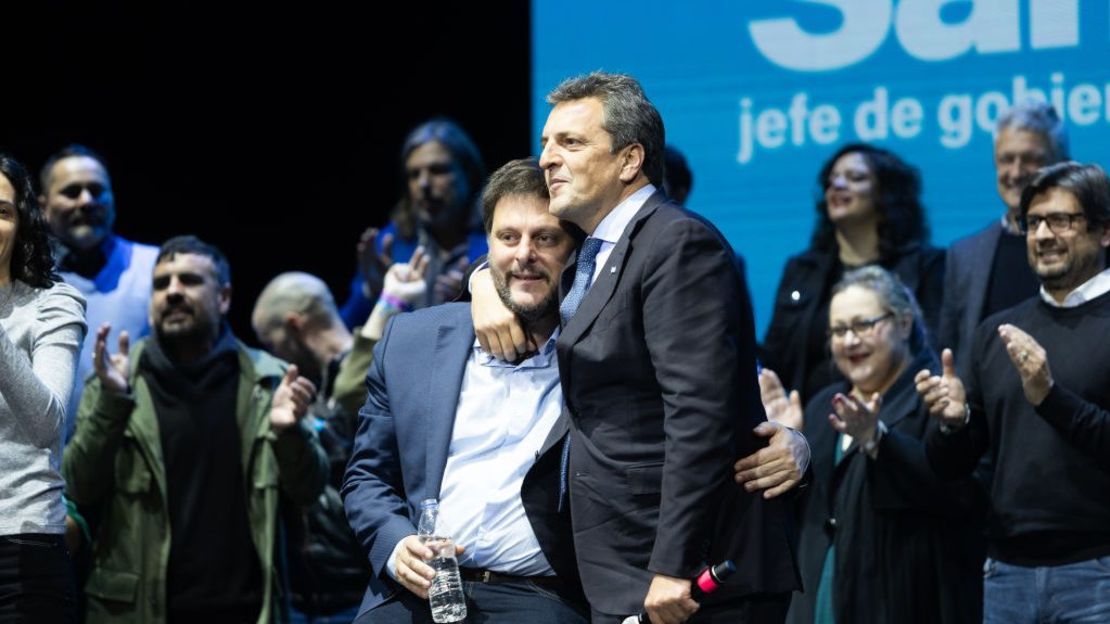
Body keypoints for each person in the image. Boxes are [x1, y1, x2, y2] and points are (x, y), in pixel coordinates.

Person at [473, 72, 801, 623]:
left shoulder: (676, 243)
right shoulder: (598, 253)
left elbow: (697, 414)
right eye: (545, 144)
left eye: (571, 143)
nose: (548, 159)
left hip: (691, 577)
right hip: (623, 569)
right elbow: (523, 263)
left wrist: (673, 565)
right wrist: (484, 280)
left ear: (629, 161)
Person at [343, 158, 590, 623]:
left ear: (575, 248)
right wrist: (396, 545)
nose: (523, 254)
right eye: (508, 237)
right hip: (415, 594)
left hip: (539, 598)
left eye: (546, 238)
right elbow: (365, 479)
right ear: (488, 244)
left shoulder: (599, 347)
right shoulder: (410, 342)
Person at [62, 235, 327, 623]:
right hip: (142, 612)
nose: (172, 292)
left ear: (223, 297)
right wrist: (111, 406)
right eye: (161, 283)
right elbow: (79, 487)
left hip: (247, 608)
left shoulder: (267, 381)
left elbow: (310, 489)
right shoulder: (119, 382)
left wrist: (289, 435)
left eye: (189, 280)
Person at [916, 162, 1110, 623]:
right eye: (1033, 222)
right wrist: (952, 425)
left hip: (1099, 570)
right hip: (1005, 574)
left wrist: (1049, 396)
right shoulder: (995, 333)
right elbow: (953, 467)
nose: (1042, 235)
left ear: (1104, 232)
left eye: (1060, 220)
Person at [761, 267, 985, 624]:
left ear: (905, 323)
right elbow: (801, 515)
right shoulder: (822, 407)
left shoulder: (937, 400)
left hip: (903, 601)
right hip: (818, 599)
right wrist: (786, 449)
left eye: (863, 325)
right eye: (838, 330)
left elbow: (956, 496)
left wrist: (878, 440)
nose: (849, 341)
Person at [250, 255, 428, 622]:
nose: (272, 356)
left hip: (363, 587)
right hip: (312, 595)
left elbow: (349, 397)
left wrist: (389, 302)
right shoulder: (314, 388)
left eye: (272, 342)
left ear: (294, 326)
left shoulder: (375, 373)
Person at [762, 143, 943, 402]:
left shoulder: (926, 266)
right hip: (812, 422)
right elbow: (775, 355)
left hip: (901, 413)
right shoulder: (802, 270)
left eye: (855, 178)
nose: (837, 185)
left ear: (886, 193)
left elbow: (933, 349)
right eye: (832, 179)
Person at [0, 152, 87, 622]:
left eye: (1, 211)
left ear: (23, 223)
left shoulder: (53, 304)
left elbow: (46, 426)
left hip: (22, 548)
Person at [38, 145, 160, 434]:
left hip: (137, 463)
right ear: (42, 207)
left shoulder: (158, 270)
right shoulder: (22, 278)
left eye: (96, 190)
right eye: (71, 192)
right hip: (46, 466)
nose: (86, 201)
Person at [938, 102, 1069, 366]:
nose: (1017, 172)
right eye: (1006, 159)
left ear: (1061, 163)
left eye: (1031, 159)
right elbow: (950, 351)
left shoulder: (1089, 242)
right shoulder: (964, 255)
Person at [340, 119, 488, 327]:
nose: (423, 184)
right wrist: (375, 293)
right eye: (413, 174)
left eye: (437, 170)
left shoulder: (496, 240)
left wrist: (474, 302)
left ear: (468, 173)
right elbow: (348, 325)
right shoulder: (389, 243)